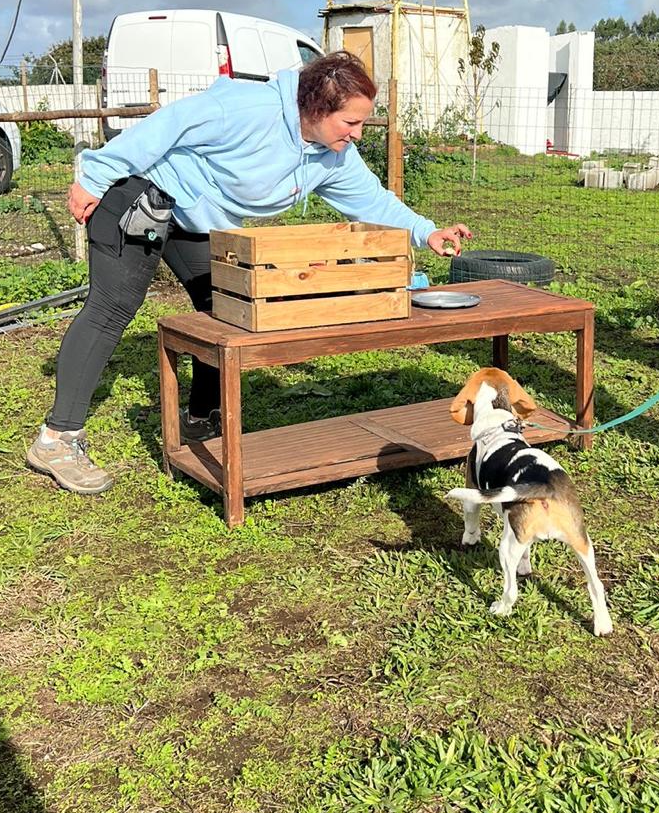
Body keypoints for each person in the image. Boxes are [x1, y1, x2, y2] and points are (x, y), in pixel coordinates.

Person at [27, 52, 471, 494]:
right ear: (316, 110)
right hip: (140, 193)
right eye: (349, 123)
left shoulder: (331, 155)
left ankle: (201, 419)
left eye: (360, 124)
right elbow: (167, 125)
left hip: (197, 218)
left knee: (227, 306)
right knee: (111, 309)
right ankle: (56, 439)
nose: (356, 134)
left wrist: (425, 232)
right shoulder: (246, 109)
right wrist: (95, 175)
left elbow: (371, 200)